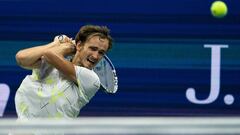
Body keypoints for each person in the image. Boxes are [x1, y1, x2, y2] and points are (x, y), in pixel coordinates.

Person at [14, 25, 113, 119]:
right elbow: (21, 58)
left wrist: (66, 46)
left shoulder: (91, 79)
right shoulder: (51, 61)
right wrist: (55, 44)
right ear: (79, 45)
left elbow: (49, 54)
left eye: (101, 53)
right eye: (93, 49)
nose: (95, 56)